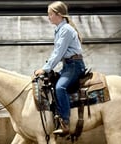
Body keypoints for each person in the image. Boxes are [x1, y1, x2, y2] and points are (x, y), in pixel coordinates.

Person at [34, 1, 86, 135]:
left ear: (59, 15)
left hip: (74, 66)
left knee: (60, 88)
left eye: (50, 14)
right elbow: (57, 52)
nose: (49, 17)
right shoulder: (60, 30)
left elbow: (58, 52)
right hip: (68, 65)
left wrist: (45, 69)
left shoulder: (66, 30)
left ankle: (65, 122)